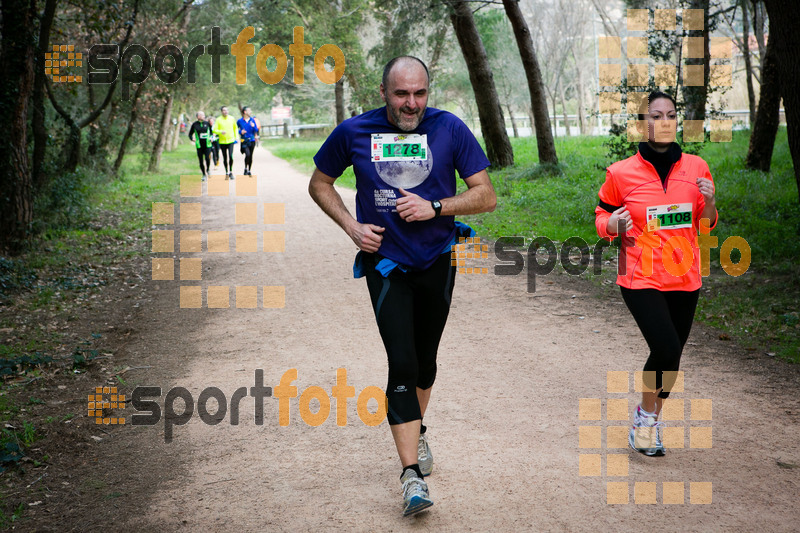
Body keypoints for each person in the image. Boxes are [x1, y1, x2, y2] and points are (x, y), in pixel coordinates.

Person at [308, 56, 496, 516]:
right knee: (403, 361)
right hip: (385, 265)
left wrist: (436, 206)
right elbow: (320, 183)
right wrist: (352, 227)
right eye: (401, 94)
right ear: (383, 92)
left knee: (426, 363)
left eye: (419, 93)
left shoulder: (449, 128)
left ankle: (417, 428)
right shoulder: (354, 132)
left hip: (436, 260)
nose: (411, 103)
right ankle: (411, 477)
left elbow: (486, 195)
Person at [594, 91, 718, 457]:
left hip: (685, 276)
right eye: (655, 116)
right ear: (643, 124)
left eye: (670, 115)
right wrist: (612, 224)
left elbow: (707, 224)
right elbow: (601, 218)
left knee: (673, 356)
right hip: (640, 275)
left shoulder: (697, 168)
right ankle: (645, 417)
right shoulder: (620, 173)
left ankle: (649, 421)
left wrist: (709, 202)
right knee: (664, 347)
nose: (663, 121)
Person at [213, 105, 237, 179]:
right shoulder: (218, 120)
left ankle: (231, 172)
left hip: (230, 141)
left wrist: (236, 138)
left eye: (227, 110)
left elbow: (235, 128)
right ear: (221, 111)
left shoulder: (232, 118)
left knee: (230, 156)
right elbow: (214, 130)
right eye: (224, 110)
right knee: (225, 157)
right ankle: (226, 172)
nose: (225, 111)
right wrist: (220, 132)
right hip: (222, 142)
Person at [187, 111, 212, 180]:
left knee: (207, 158)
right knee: (201, 161)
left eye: (204, 115)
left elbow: (211, 133)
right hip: (199, 145)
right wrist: (192, 139)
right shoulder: (194, 124)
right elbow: (190, 134)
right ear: (198, 117)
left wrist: (211, 138)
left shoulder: (207, 123)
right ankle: (204, 174)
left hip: (207, 144)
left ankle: (208, 169)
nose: (204, 116)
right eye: (202, 115)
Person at [237, 106, 259, 175]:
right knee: (248, 154)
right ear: (245, 112)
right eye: (249, 111)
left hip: (252, 140)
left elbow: (256, 130)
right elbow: (236, 129)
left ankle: (249, 170)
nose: (251, 112)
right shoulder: (239, 121)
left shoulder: (252, 120)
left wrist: (253, 126)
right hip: (244, 141)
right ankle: (245, 168)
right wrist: (240, 132)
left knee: (250, 155)